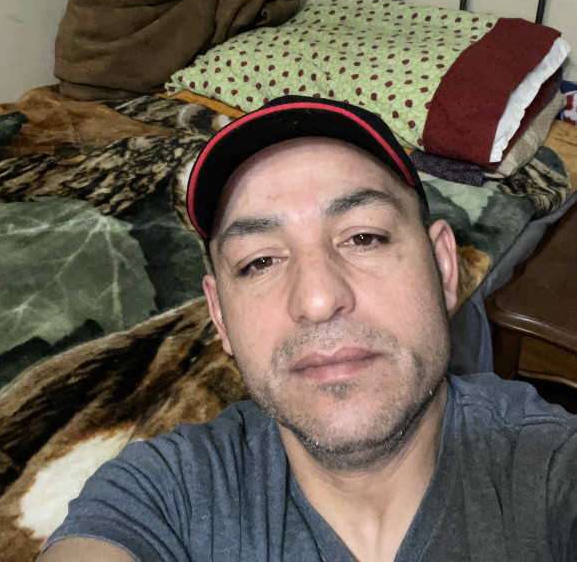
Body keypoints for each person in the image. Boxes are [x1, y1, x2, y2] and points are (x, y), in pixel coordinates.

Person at [40, 96, 576, 562]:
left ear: (443, 268)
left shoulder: (549, 463)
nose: (317, 300)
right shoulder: (160, 492)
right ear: (220, 316)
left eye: (364, 237)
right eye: (259, 262)